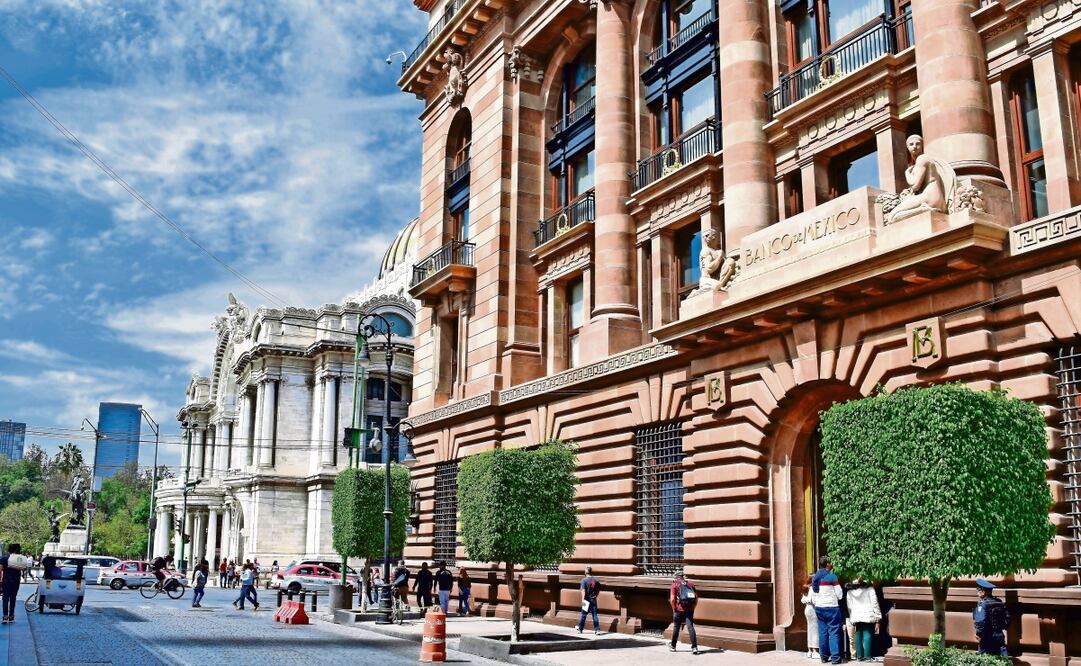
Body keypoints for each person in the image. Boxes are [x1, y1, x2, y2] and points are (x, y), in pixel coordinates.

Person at [810, 557, 844, 664]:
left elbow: (813, 595)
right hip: (832, 608)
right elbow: (840, 595)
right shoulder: (832, 577)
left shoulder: (815, 577)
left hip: (819, 608)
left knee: (823, 631)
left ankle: (823, 656)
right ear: (827, 564)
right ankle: (835, 658)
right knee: (834, 632)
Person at [845, 579, 881, 662]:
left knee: (858, 633)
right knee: (867, 633)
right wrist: (878, 617)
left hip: (856, 615)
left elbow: (849, 605)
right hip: (867, 614)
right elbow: (874, 603)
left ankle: (859, 656)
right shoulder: (870, 589)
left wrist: (852, 616)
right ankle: (868, 656)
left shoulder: (850, 592)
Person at [973, 578, 1008, 656]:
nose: (977, 592)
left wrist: (978, 633)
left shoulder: (983, 604)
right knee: (1002, 660)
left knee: (985, 660)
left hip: (987, 636)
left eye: (978, 590)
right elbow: (1007, 619)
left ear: (983, 591)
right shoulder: (999, 602)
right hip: (1000, 635)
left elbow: (980, 621)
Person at [669, 571, 699, 654]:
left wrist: (674, 608)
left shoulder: (674, 584)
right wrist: (693, 608)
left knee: (676, 627)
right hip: (689, 609)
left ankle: (673, 646)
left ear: (676, 577)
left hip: (678, 609)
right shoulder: (690, 584)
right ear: (683, 576)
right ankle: (694, 647)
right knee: (690, 627)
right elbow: (696, 598)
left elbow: (672, 600)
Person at [0, 543, 28, 624]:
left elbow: (0, 570)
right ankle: (11, 616)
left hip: (6, 581)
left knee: (5, 598)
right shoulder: (20, 558)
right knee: (13, 598)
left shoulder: (4, 558)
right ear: (17, 550)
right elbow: (24, 568)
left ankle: (5, 616)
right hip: (16, 581)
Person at [576, 566, 601, 635]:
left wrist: (582, 600)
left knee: (583, 615)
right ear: (591, 572)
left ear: (585, 572)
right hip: (593, 600)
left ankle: (580, 629)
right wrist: (596, 595)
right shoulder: (595, 580)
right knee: (594, 615)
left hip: (586, 600)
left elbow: (583, 591)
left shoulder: (584, 580)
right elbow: (598, 590)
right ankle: (597, 630)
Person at [801, 579, 820, 660]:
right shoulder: (812, 588)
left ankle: (809, 650)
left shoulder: (805, 587)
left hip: (807, 608)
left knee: (810, 629)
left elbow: (802, 600)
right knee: (815, 630)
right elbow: (814, 600)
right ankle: (815, 651)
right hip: (812, 609)